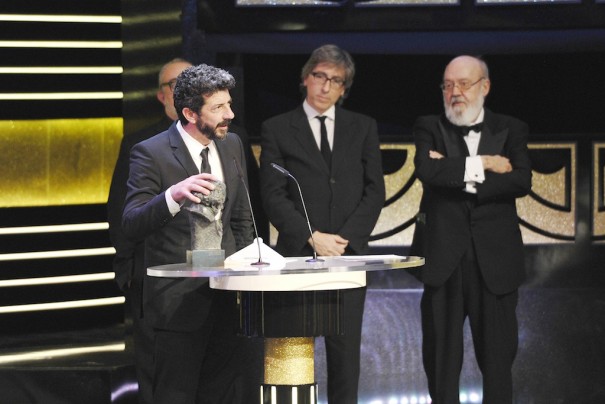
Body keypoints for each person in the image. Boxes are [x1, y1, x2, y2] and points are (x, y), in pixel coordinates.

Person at [121, 63, 256, 404]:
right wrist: (173, 196)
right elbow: (132, 222)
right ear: (190, 113)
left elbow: (240, 218)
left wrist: (244, 271)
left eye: (229, 103)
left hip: (227, 300)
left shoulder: (233, 144)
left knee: (222, 394)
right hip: (177, 306)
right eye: (218, 108)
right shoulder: (151, 153)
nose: (230, 113)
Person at [259, 44, 385, 403]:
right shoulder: (277, 128)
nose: (326, 86)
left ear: (344, 88)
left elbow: (375, 192)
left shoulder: (363, 127)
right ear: (306, 78)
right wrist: (312, 237)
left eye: (336, 80)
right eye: (320, 76)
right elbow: (273, 196)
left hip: (348, 257)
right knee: (296, 355)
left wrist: (343, 240)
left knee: (346, 357)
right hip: (298, 256)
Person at [410, 55, 532, 403]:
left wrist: (455, 173)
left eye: (464, 84)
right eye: (448, 85)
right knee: (441, 364)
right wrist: (484, 164)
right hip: (443, 260)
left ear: (485, 86)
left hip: (495, 261)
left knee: (498, 364)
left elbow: (521, 180)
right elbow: (426, 171)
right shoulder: (429, 126)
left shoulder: (511, 127)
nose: (455, 92)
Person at [107, 57, 192, 404]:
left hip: (211, 277)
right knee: (156, 375)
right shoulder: (140, 143)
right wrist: (128, 268)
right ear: (162, 95)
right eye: (177, 84)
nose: (187, 90)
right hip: (152, 279)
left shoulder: (228, 140)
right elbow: (119, 212)